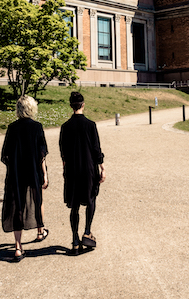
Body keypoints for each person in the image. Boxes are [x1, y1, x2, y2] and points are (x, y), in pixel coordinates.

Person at [1, 95, 49, 262]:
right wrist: (45, 174)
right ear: (32, 108)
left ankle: (18, 247)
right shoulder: (37, 127)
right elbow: (41, 154)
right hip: (33, 171)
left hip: (16, 173)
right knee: (38, 200)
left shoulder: (12, 128)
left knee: (17, 207)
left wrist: (14, 165)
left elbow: (5, 154)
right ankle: (40, 231)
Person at [60, 92, 106, 256]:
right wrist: (102, 167)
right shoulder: (90, 125)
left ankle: (74, 240)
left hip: (72, 169)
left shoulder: (65, 127)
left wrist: (65, 170)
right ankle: (87, 231)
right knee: (91, 198)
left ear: (71, 106)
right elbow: (96, 148)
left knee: (75, 206)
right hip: (88, 168)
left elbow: (63, 152)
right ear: (83, 104)